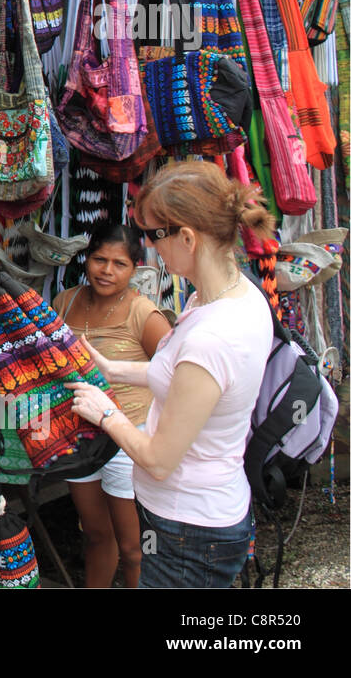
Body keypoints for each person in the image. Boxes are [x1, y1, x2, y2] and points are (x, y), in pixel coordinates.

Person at [67, 161, 276, 588]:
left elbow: (159, 460)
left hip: (190, 529)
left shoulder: (212, 337)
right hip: (199, 515)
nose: (150, 247)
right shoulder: (229, 296)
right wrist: (108, 367)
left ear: (186, 237)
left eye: (152, 235)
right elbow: (177, 377)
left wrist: (107, 414)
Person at [53, 224, 172, 588]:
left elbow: (173, 377)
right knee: (95, 534)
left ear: (135, 269)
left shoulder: (145, 314)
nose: (106, 271)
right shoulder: (65, 302)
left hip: (128, 438)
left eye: (119, 264)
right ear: (86, 260)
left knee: (133, 547)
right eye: (99, 259)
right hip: (77, 435)